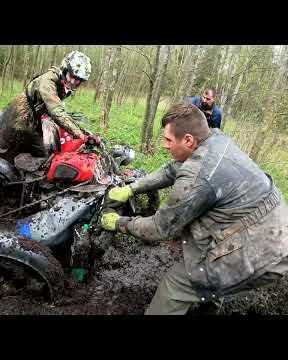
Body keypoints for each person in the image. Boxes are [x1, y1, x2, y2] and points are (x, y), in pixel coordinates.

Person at [100, 102, 288, 315]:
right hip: (276, 231)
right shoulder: (215, 140)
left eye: (168, 140)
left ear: (188, 140)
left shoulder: (199, 177)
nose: (165, 145)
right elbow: (173, 169)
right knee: (209, 273)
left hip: (262, 253)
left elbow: (160, 228)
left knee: (176, 286)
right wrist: (133, 188)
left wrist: (118, 222)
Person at [0, 50, 91, 163]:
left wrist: (84, 133)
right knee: (2, 157)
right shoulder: (48, 82)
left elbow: (60, 110)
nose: (73, 82)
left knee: (44, 152)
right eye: (72, 76)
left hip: (33, 120)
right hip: (18, 119)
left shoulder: (63, 84)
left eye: (78, 80)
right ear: (65, 69)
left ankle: (23, 175)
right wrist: (80, 135)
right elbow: (57, 111)